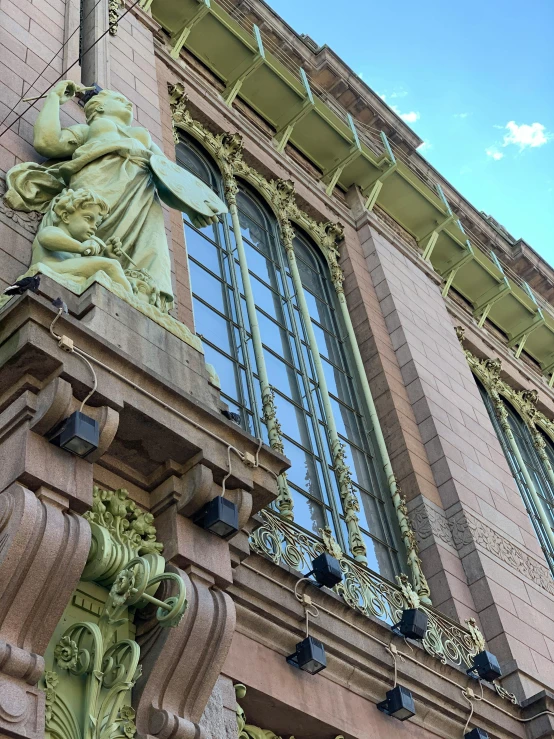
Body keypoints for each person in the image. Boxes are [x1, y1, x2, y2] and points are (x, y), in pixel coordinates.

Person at [5, 82, 218, 313]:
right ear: (97, 109)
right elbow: (47, 143)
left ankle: (143, 300)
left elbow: (170, 181)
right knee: (81, 228)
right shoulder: (90, 129)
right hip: (97, 185)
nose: (127, 102)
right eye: (117, 99)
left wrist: (193, 207)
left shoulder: (144, 139)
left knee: (149, 248)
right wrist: (54, 98)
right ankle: (69, 270)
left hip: (142, 195)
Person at [33, 187, 134, 291]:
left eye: (97, 224)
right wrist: (81, 247)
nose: (94, 227)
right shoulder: (53, 230)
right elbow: (46, 237)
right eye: (88, 219)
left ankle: (129, 300)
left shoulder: (76, 249)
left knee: (108, 269)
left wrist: (105, 254)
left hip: (64, 272)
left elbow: (82, 264)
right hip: (52, 268)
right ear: (66, 216)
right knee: (111, 266)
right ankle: (132, 302)